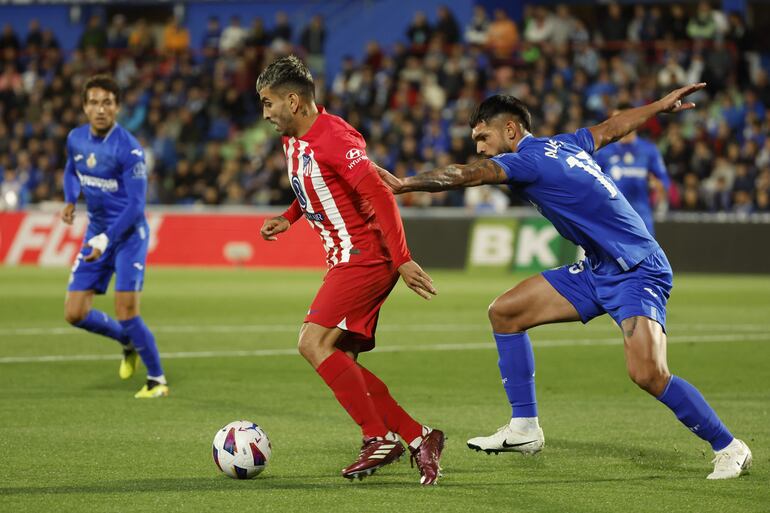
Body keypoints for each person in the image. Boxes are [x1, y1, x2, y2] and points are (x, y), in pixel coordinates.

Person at [378, 83, 752, 480]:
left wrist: (405, 184)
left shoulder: (526, 161)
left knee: (649, 374)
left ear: (510, 130)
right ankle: (524, 428)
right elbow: (613, 127)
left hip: (637, 268)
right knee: (505, 313)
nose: (480, 148)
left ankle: (730, 446)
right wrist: (658, 106)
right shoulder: (567, 144)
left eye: (483, 137)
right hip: (598, 268)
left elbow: (467, 176)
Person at [257, 56, 445, 485]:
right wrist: (289, 216)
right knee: (341, 359)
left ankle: (378, 437)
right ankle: (420, 437)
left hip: (365, 257)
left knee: (312, 342)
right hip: (346, 257)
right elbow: (315, 186)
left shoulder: (334, 136)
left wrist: (402, 259)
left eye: (269, 104)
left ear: (294, 100)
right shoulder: (293, 139)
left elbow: (381, 195)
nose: (265, 114)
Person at [61, 75, 168, 399]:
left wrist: (106, 240)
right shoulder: (76, 139)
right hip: (96, 231)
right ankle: (126, 340)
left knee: (126, 310)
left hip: (128, 235)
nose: (100, 109)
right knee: (75, 312)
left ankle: (157, 380)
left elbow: (136, 206)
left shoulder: (131, 150)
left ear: (117, 107)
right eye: (93, 102)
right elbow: (70, 170)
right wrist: (70, 198)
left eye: (107, 102)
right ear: (84, 106)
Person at [594, 104, 670, 236]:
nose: (613, 124)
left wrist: (658, 186)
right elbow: (591, 181)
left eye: (618, 119)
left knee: (645, 256)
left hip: (641, 217)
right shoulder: (603, 151)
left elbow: (664, 180)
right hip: (611, 217)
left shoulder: (648, 149)